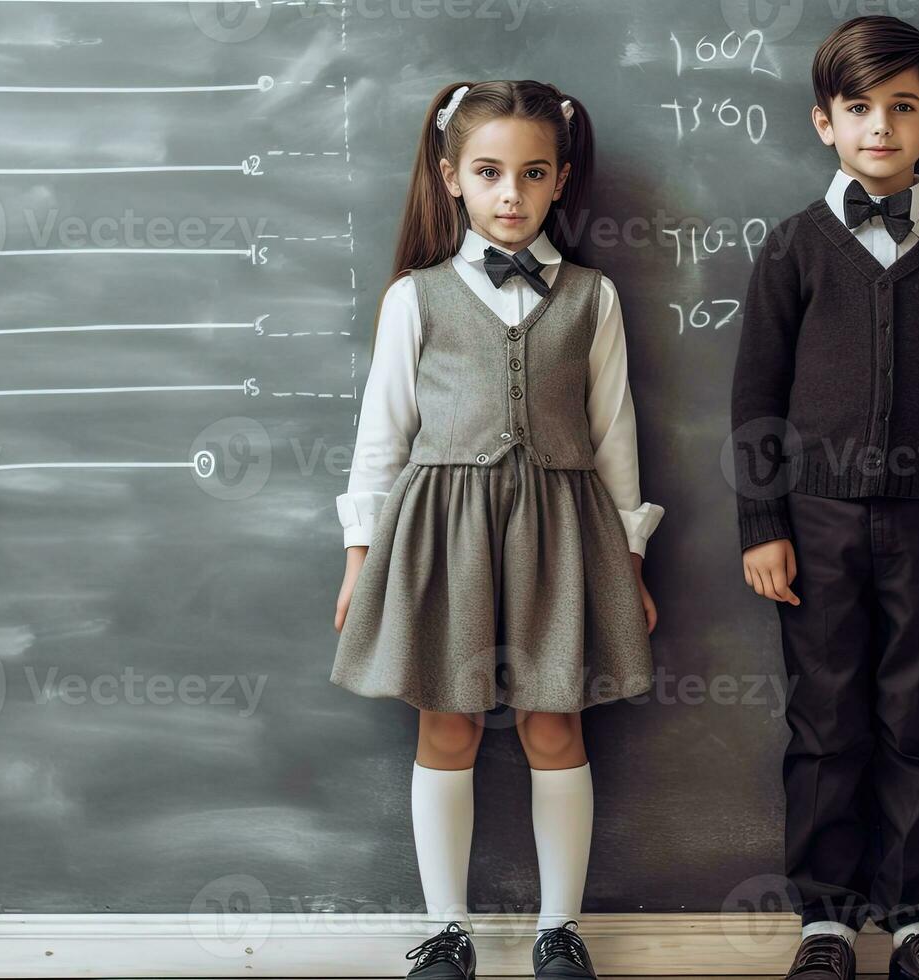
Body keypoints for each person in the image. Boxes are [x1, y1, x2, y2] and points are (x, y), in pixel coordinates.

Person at [331, 79, 663, 980]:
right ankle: (448, 932)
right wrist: (360, 559)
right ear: (451, 178)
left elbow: (615, 437)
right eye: (488, 173)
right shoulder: (416, 297)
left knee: (555, 726)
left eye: (531, 174)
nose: (510, 193)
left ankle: (562, 930)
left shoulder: (593, 298)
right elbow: (381, 435)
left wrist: (629, 558)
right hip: (442, 539)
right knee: (449, 724)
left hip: (564, 535)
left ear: (559, 182)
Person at [729, 15, 919, 980]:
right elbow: (754, 400)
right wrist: (763, 523)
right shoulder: (794, 250)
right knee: (824, 723)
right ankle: (824, 924)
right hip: (813, 526)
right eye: (859, 109)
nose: (880, 127)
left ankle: (918, 920)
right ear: (824, 123)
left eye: (901, 109)